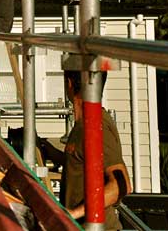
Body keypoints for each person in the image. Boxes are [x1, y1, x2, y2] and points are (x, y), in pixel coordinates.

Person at [39, 71, 131, 230]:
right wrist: (50, 151)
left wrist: (73, 213)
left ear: (69, 83)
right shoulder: (84, 123)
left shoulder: (94, 125)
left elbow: (121, 184)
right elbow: (84, 163)